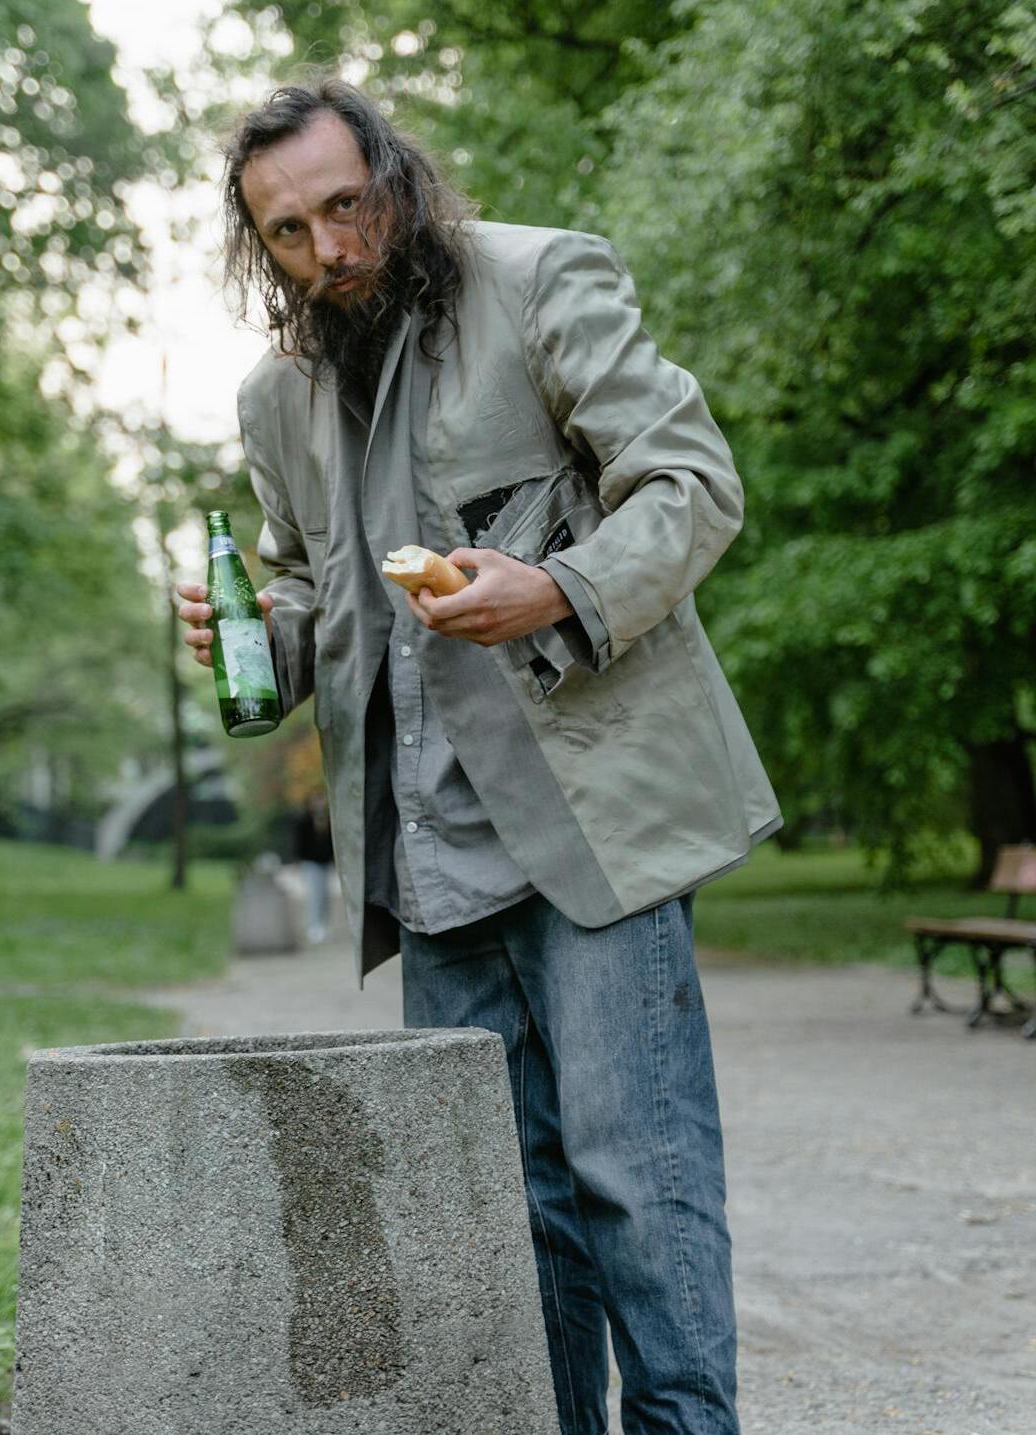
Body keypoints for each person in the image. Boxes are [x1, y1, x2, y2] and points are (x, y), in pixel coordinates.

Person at [177, 76, 780, 1435]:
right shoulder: (272, 399)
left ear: (398, 177)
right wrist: (252, 629)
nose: (332, 249)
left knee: (638, 1189)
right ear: (258, 244)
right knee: (506, 1214)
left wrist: (557, 586)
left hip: (596, 828)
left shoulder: (544, 279)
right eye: (289, 231)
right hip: (428, 863)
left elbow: (690, 484)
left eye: (349, 205)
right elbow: (307, 596)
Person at [290, 790, 335, 943]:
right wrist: (297, 860)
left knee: (325, 895)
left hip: (325, 862)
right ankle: (314, 926)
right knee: (315, 895)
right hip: (310, 862)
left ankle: (323, 925)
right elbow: (298, 842)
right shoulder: (304, 820)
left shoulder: (329, 819)